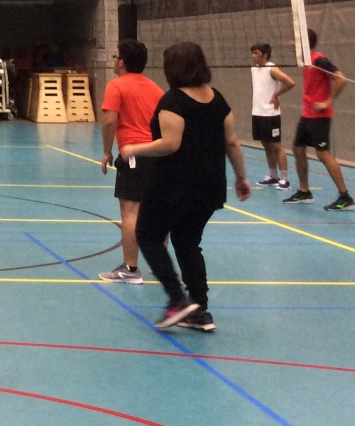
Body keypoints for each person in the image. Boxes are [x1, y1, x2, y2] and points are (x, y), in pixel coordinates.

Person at [120, 41, 251, 333]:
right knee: (188, 243)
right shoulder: (218, 100)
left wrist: (134, 149)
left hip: (173, 185)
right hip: (209, 187)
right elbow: (232, 141)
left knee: (147, 235)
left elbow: (170, 144)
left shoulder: (173, 101)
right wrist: (241, 177)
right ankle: (200, 311)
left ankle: (177, 299)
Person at [98, 39, 165, 285]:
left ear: (122, 62)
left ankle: (130, 268)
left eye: (115, 56)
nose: (114, 60)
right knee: (157, 211)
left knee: (131, 211)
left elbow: (108, 121)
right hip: (159, 154)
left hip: (134, 154)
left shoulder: (116, 86)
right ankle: (161, 267)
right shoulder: (156, 89)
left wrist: (107, 152)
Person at [283, 30, 355, 211]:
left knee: (322, 153)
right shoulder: (307, 61)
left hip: (320, 116)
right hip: (307, 114)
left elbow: (341, 79)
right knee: (298, 149)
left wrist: (327, 102)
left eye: (295, 40)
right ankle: (304, 191)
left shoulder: (319, 60)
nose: (291, 43)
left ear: (304, 43)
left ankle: (345, 197)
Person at [250, 42, 294, 190]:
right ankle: (273, 176)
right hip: (257, 113)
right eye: (252, 53)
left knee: (276, 146)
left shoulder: (272, 68)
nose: (253, 56)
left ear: (265, 54)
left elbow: (289, 82)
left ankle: (284, 179)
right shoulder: (254, 69)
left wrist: (276, 95)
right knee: (266, 145)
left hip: (270, 114)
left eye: (256, 53)